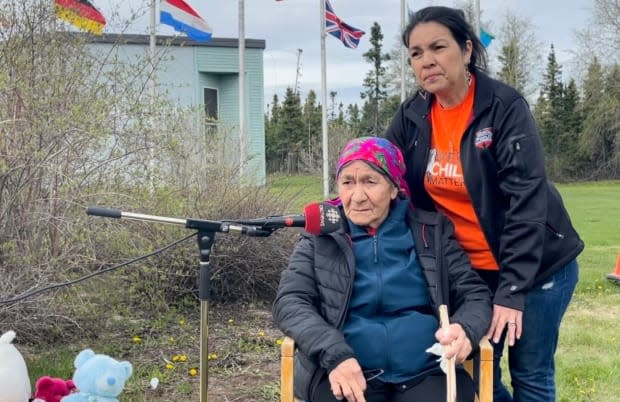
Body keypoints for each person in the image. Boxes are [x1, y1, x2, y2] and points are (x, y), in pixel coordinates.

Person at [385, 6, 584, 402]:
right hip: (470, 273)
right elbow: (384, 170)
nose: (427, 61)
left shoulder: (503, 107)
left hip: (537, 265)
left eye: (438, 47)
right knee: (475, 376)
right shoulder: (413, 115)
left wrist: (512, 290)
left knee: (530, 373)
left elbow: (526, 200)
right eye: (416, 53)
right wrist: (348, 201)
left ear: (467, 49)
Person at [273, 136, 492, 402]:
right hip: (345, 370)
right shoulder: (322, 236)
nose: (357, 196)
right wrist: (334, 354)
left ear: (393, 188)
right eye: (348, 182)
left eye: (370, 181)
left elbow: (475, 294)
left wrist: (466, 330)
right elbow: (290, 301)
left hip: (426, 371)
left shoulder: (430, 231)